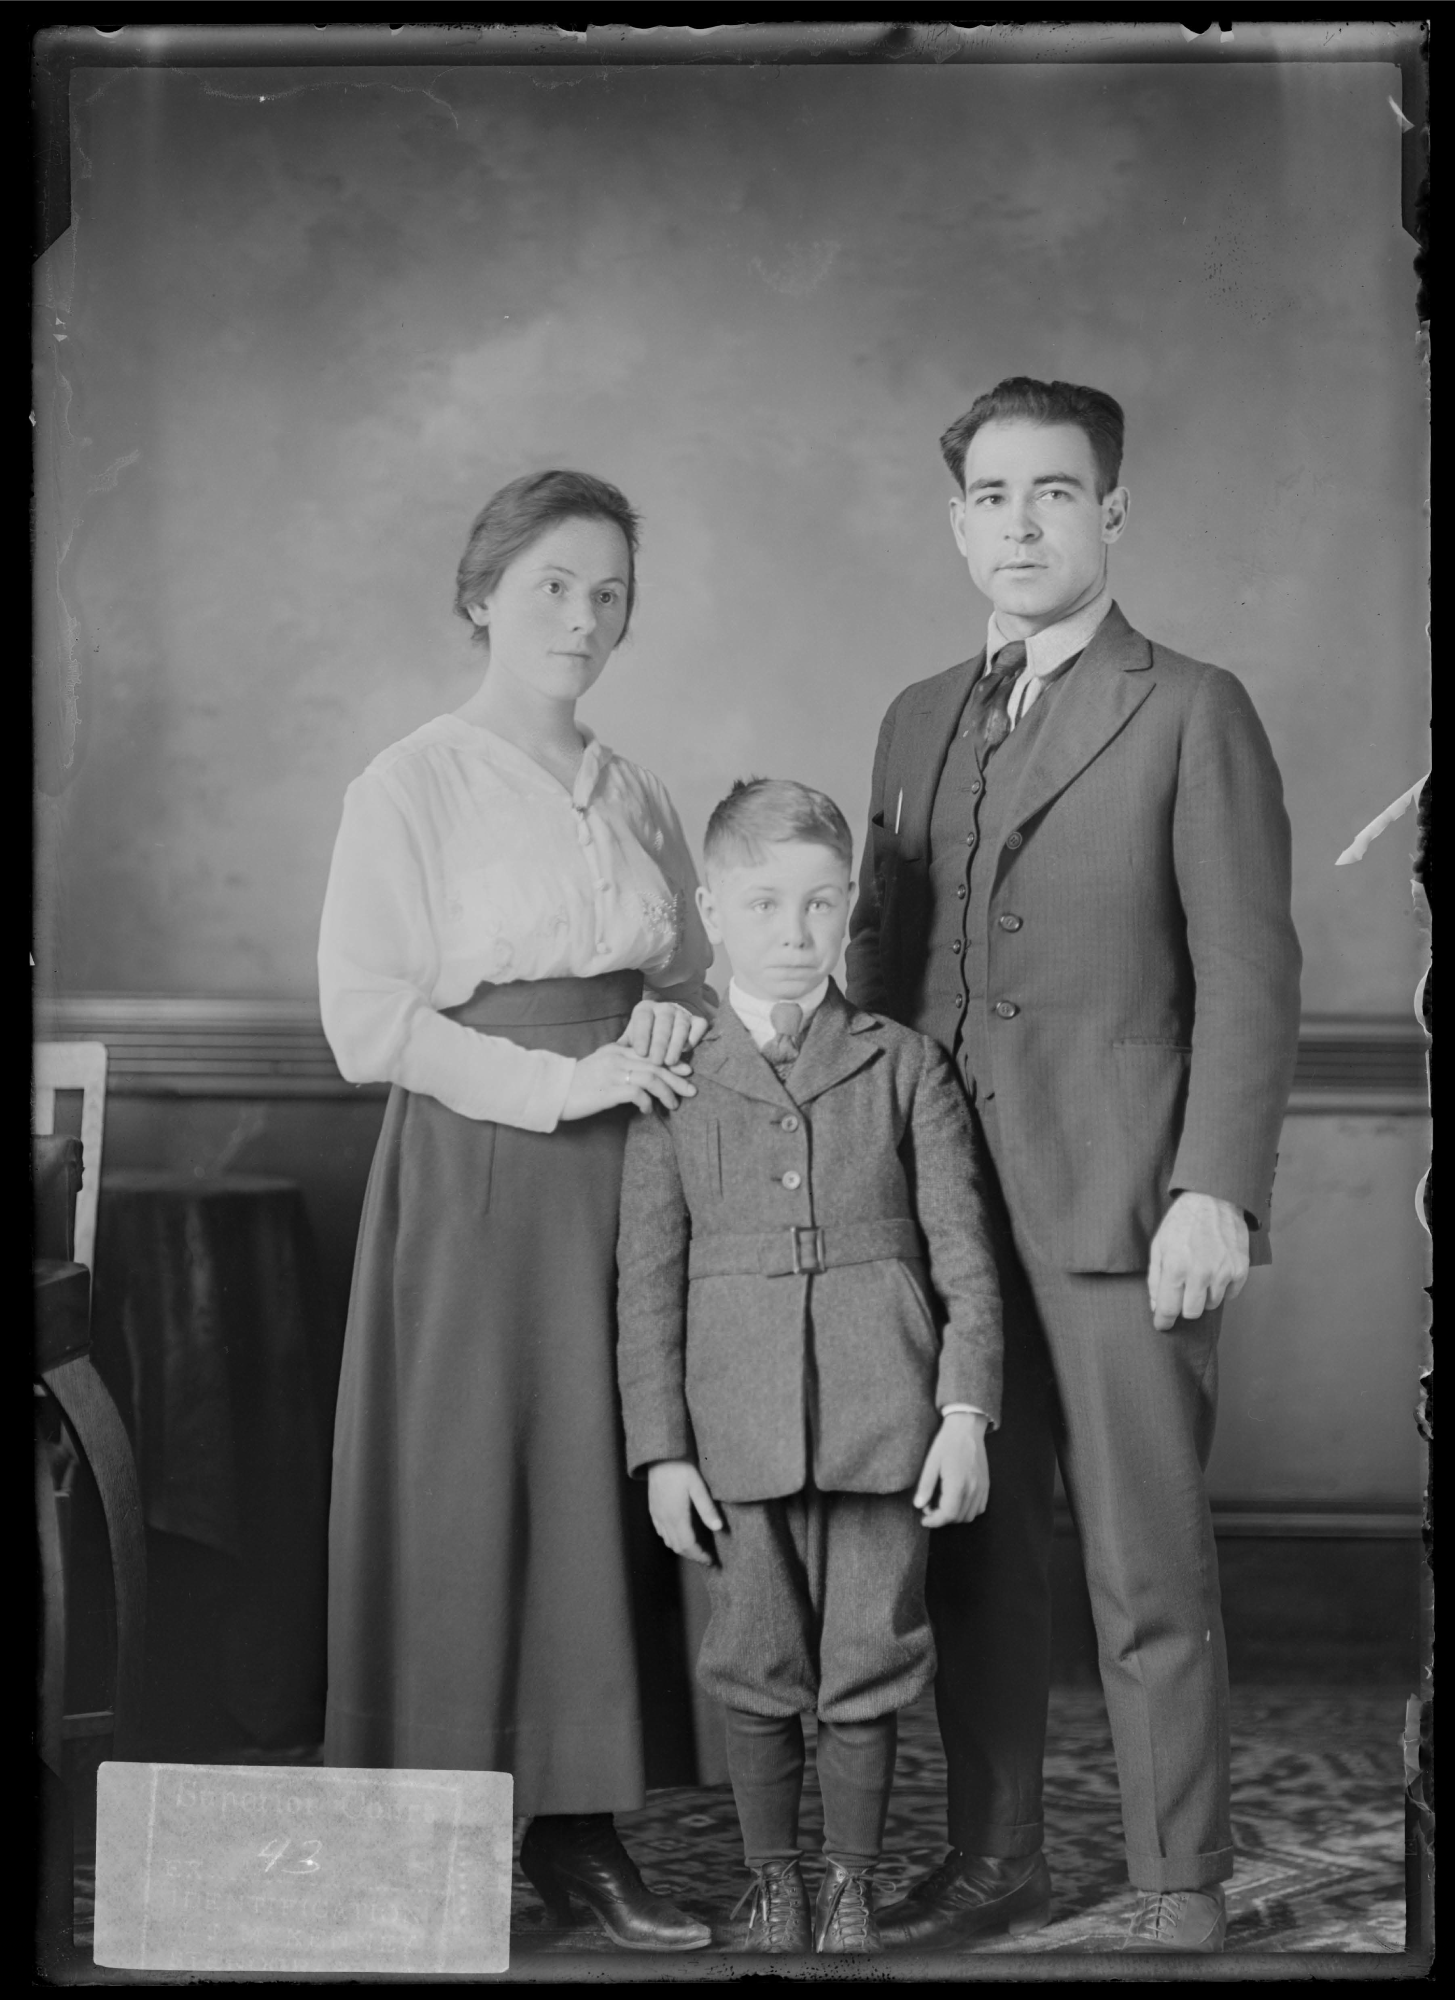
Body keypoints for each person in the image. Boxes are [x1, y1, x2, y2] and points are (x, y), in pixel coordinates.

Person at [846, 379, 1302, 1954]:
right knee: (967, 1553)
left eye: (1053, 493)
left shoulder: (1189, 705)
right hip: (942, 1215)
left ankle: (1176, 1882)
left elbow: (1247, 972)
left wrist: (1213, 1190)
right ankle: (995, 1862)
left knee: (1142, 1561)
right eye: (989, 493)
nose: (1019, 521)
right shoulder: (913, 718)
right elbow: (876, 967)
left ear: (1110, 514)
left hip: (1122, 1208)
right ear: (954, 518)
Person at [317, 470, 716, 1952]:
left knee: (604, 1486)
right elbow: (365, 1024)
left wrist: (668, 1037)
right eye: (554, 582)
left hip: (633, 1176)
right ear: (483, 592)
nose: (584, 615)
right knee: (473, 1484)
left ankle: (580, 1834)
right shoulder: (409, 781)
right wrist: (561, 1090)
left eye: (609, 590)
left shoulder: (634, 791)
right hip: (482, 1175)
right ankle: (439, 1829)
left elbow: (679, 987)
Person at [616, 778, 1005, 1956]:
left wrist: (965, 1409)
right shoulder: (674, 1074)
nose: (795, 933)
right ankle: (769, 1874)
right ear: (712, 910)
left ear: (850, 913)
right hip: (732, 1425)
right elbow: (645, 1283)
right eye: (766, 902)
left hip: (887, 1412)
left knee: (872, 1651)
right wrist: (661, 1450)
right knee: (754, 1651)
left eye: (821, 905)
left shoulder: (903, 1063)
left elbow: (965, 1258)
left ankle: (848, 1880)